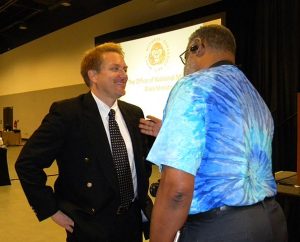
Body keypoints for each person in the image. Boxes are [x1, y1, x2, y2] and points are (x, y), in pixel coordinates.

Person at [145, 24, 288, 242]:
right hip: (271, 221)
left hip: (222, 229)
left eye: (186, 56)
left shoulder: (193, 86)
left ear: (197, 46)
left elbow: (177, 189)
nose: (186, 66)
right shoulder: (255, 96)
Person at [15, 42, 153, 242]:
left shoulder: (134, 113)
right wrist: (51, 209)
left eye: (125, 69)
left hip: (132, 222)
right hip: (90, 225)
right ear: (93, 75)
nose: (124, 75)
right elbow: (28, 163)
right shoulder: (68, 114)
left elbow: (142, 163)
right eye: (115, 69)